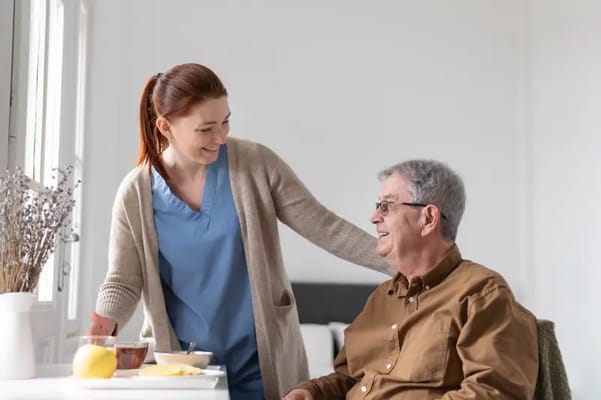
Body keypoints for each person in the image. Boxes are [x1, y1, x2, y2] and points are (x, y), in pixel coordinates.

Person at [87, 63, 393, 400]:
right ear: (165, 127)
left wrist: (401, 261)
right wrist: (105, 323)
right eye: (206, 129)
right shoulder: (136, 192)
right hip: (184, 369)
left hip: (261, 363)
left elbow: (325, 227)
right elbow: (123, 279)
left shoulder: (255, 164)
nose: (220, 137)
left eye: (225, 122)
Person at [284, 159, 539, 400]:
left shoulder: (482, 293)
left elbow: (494, 392)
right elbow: (350, 378)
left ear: (428, 219)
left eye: (387, 206)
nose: (374, 218)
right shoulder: (381, 298)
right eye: (377, 207)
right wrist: (313, 392)